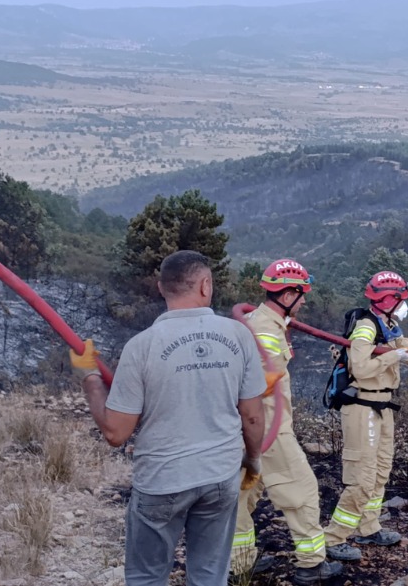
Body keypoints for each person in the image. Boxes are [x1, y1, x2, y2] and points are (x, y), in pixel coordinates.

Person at [74, 250, 267, 586]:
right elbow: (252, 417)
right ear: (206, 285)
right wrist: (253, 461)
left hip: (163, 481)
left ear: (161, 288)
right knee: (209, 577)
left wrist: (90, 376)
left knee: (148, 578)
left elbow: (115, 433)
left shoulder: (141, 346)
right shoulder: (239, 337)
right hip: (219, 479)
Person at [234, 259, 346, 583]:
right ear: (286, 296)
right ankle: (311, 565)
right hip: (268, 428)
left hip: (247, 428)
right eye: (302, 294)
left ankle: (239, 565)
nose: (305, 301)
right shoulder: (266, 331)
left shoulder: (258, 322)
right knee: (303, 490)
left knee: (241, 496)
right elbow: (258, 382)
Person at [322, 270, 408, 552]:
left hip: (382, 407)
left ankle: (368, 528)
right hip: (361, 407)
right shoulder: (366, 327)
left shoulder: (389, 326)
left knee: (380, 473)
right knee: (362, 477)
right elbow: (361, 369)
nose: (404, 303)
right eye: (401, 297)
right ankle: (334, 539)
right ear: (388, 299)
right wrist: (393, 356)